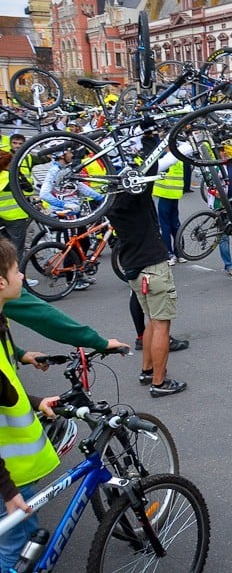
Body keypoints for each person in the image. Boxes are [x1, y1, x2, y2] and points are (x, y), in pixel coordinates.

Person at [107, 131, 185, 397]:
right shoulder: (135, 197)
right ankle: (159, 383)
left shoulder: (112, 202)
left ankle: (147, 370)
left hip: (133, 266)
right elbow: (149, 166)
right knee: (162, 324)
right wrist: (151, 139)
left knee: (152, 321)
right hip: (153, 266)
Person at [0, 238, 61, 569]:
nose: (22, 276)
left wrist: (35, 402)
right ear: (1, 282)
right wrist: (9, 493)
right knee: (17, 551)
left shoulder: (0, 323)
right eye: (16, 271)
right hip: (10, 475)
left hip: (14, 472)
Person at [152, 148, 185, 266]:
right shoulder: (179, 157)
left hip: (165, 194)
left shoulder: (165, 158)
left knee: (165, 226)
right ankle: (179, 252)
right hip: (174, 195)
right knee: (175, 225)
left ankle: (169, 254)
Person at [0, 151, 30, 257]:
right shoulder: (10, 176)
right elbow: (29, 190)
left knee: (3, 249)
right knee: (17, 251)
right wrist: (18, 172)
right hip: (15, 217)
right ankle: (16, 272)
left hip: (1, 216)